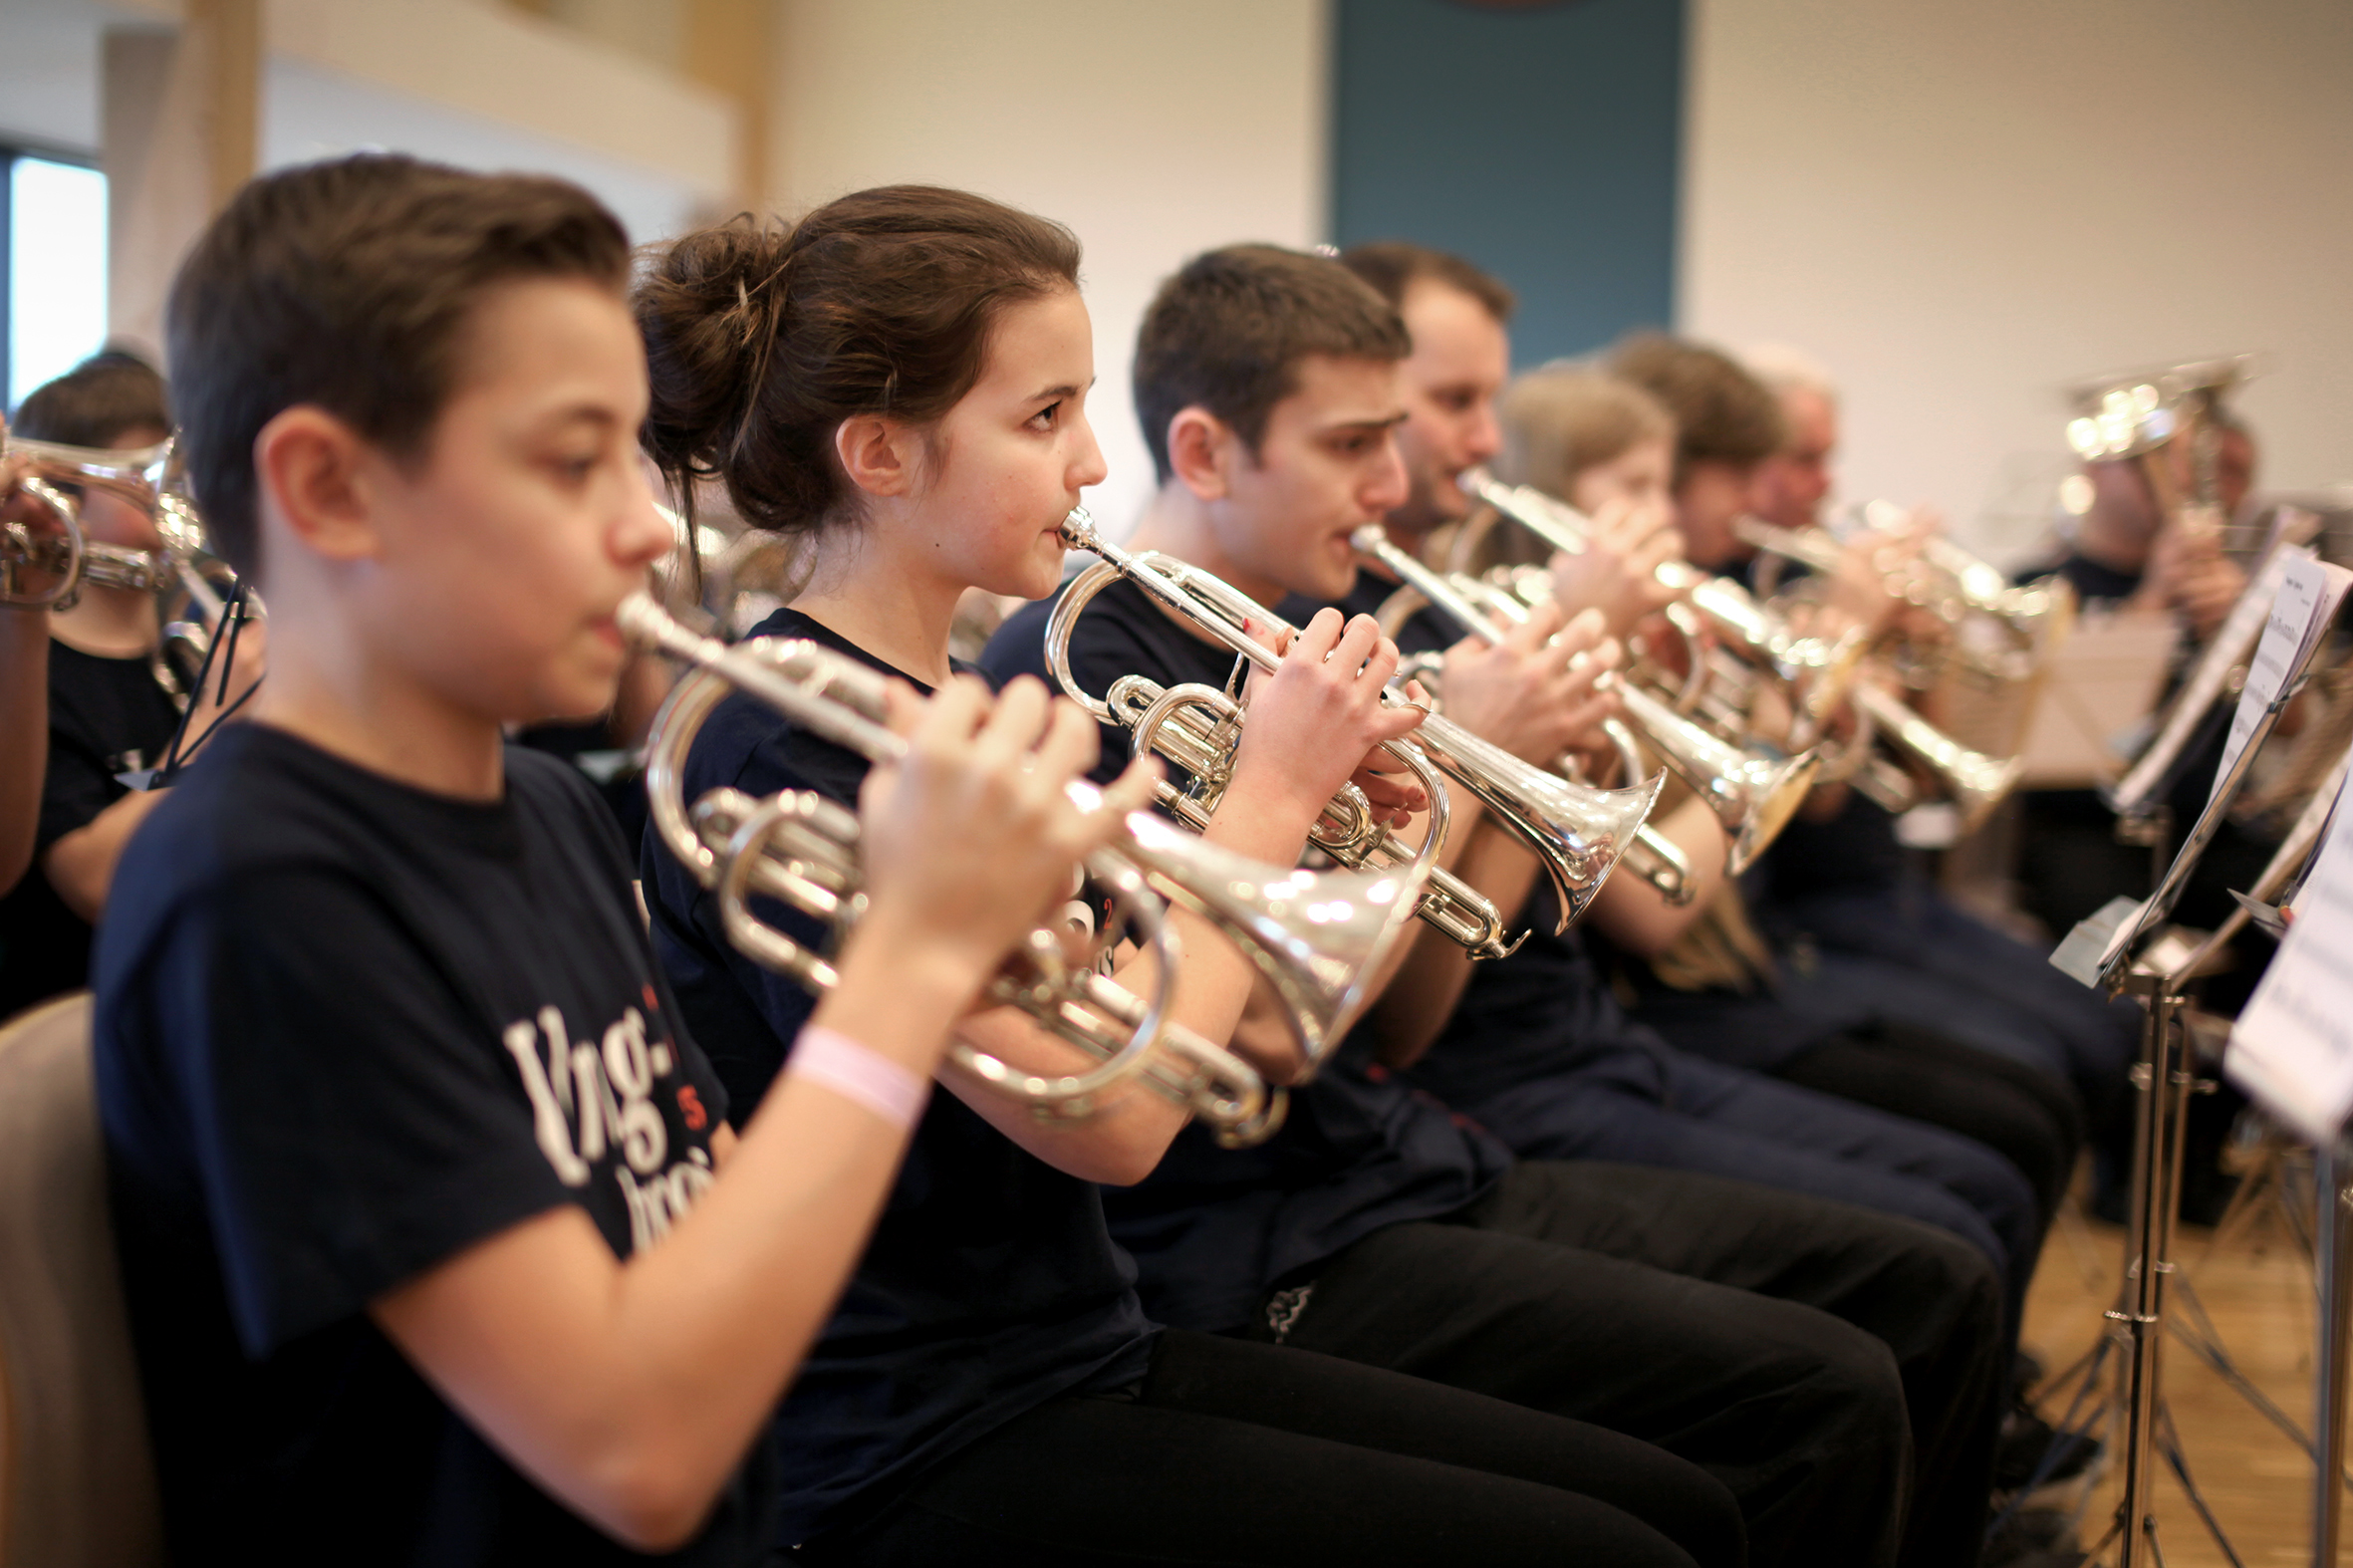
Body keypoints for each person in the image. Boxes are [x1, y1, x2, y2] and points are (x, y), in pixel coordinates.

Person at [97, 153, 1211, 1568]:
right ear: (328, 490)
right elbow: (639, 1451)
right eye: (570, 462)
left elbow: (707, 1211)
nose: (641, 527)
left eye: (629, 456)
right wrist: (916, 957)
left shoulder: (553, 814)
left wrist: (1036, 939)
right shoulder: (262, 893)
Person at [638, 186, 1744, 1568]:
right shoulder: (785, 739)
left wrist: (1380, 815)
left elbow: (1171, 998)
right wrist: (1272, 793)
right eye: (1042, 418)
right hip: (919, 1432)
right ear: (878, 452)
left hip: (1078, 1341)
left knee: (1675, 1513)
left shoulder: (936, 703)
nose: (1094, 463)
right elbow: (1113, 1117)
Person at [989, 240, 2018, 1568]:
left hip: (1400, 1151)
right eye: (1357, 442)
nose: (1398, 481)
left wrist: (1493, 778)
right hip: (1258, 1235)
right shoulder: (1085, 657)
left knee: (1911, 1290)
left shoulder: (1311, 624)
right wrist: (1464, 768)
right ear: (1204, 451)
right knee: (1807, 1398)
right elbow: (1284, 1035)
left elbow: (1405, 1023)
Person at [0, 354, 261, 1020]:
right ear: (69, 507)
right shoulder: (35, 675)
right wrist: (217, 725)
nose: (183, 493)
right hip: (67, 1024)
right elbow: (99, 883)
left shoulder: (191, 644)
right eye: (147, 476)